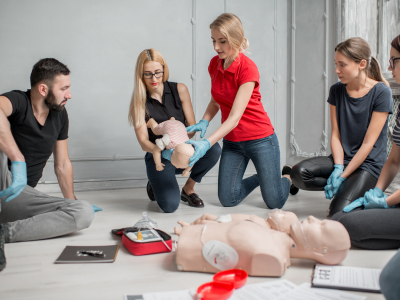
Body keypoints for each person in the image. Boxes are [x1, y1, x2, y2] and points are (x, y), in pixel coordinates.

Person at [0, 58, 99, 271]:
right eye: (64, 88)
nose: (69, 94)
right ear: (43, 89)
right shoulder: (18, 101)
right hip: (4, 178)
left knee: (83, 211)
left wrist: (70, 202)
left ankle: (3, 233)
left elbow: (62, 164)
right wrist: (16, 158)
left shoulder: (60, 115)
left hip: (17, 196)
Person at [186, 13, 293, 209]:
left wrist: (207, 143)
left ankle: (287, 177)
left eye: (222, 41)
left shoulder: (247, 68)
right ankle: (265, 177)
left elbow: (235, 118)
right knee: (228, 199)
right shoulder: (214, 64)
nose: (216, 47)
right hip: (233, 143)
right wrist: (205, 121)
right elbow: (216, 101)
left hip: (260, 139)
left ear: (235, 39)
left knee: (274, 202)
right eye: (213, 41)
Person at [291, 37, 393, 218]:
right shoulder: (336, 90)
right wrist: (338, 167)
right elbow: (336, 134)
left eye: (342, 65)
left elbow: (369, 143)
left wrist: (344, 176)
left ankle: (352, 188)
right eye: (335, 64)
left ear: (361, 64)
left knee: (337, 214)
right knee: (298, 173)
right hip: (342, 159)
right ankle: (347, 187)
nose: (337, 70)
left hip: (368, 165)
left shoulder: (381, 92)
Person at [129, 49, 221, 213]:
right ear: (141, 75)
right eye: (148, 74)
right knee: (170, 206)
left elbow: (191, 129)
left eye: (158, 72)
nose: (154, 79)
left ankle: (188, 189)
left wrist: (176, 137)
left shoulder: (180, 89)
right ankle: (154, 182)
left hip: (182, 148)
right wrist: (164, 151)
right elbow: (144, 142)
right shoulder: (139, 102)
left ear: (164, 69)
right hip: (159, 157)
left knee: (213, 149)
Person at [331, 35, 400, 250]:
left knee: (342, 224)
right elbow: (395, 161)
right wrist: (377, 191)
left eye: (394, 61)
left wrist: (384, 203)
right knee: (341, 220)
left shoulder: (381, 92)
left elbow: (370, 144)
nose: (389, 67)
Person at [175, 211, 350, 276]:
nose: (311, 218)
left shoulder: (271, 257)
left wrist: (190, 237)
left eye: (321, 226)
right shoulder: (272, 235)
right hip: (190, 237)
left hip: (186, 247)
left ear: (321, 251)